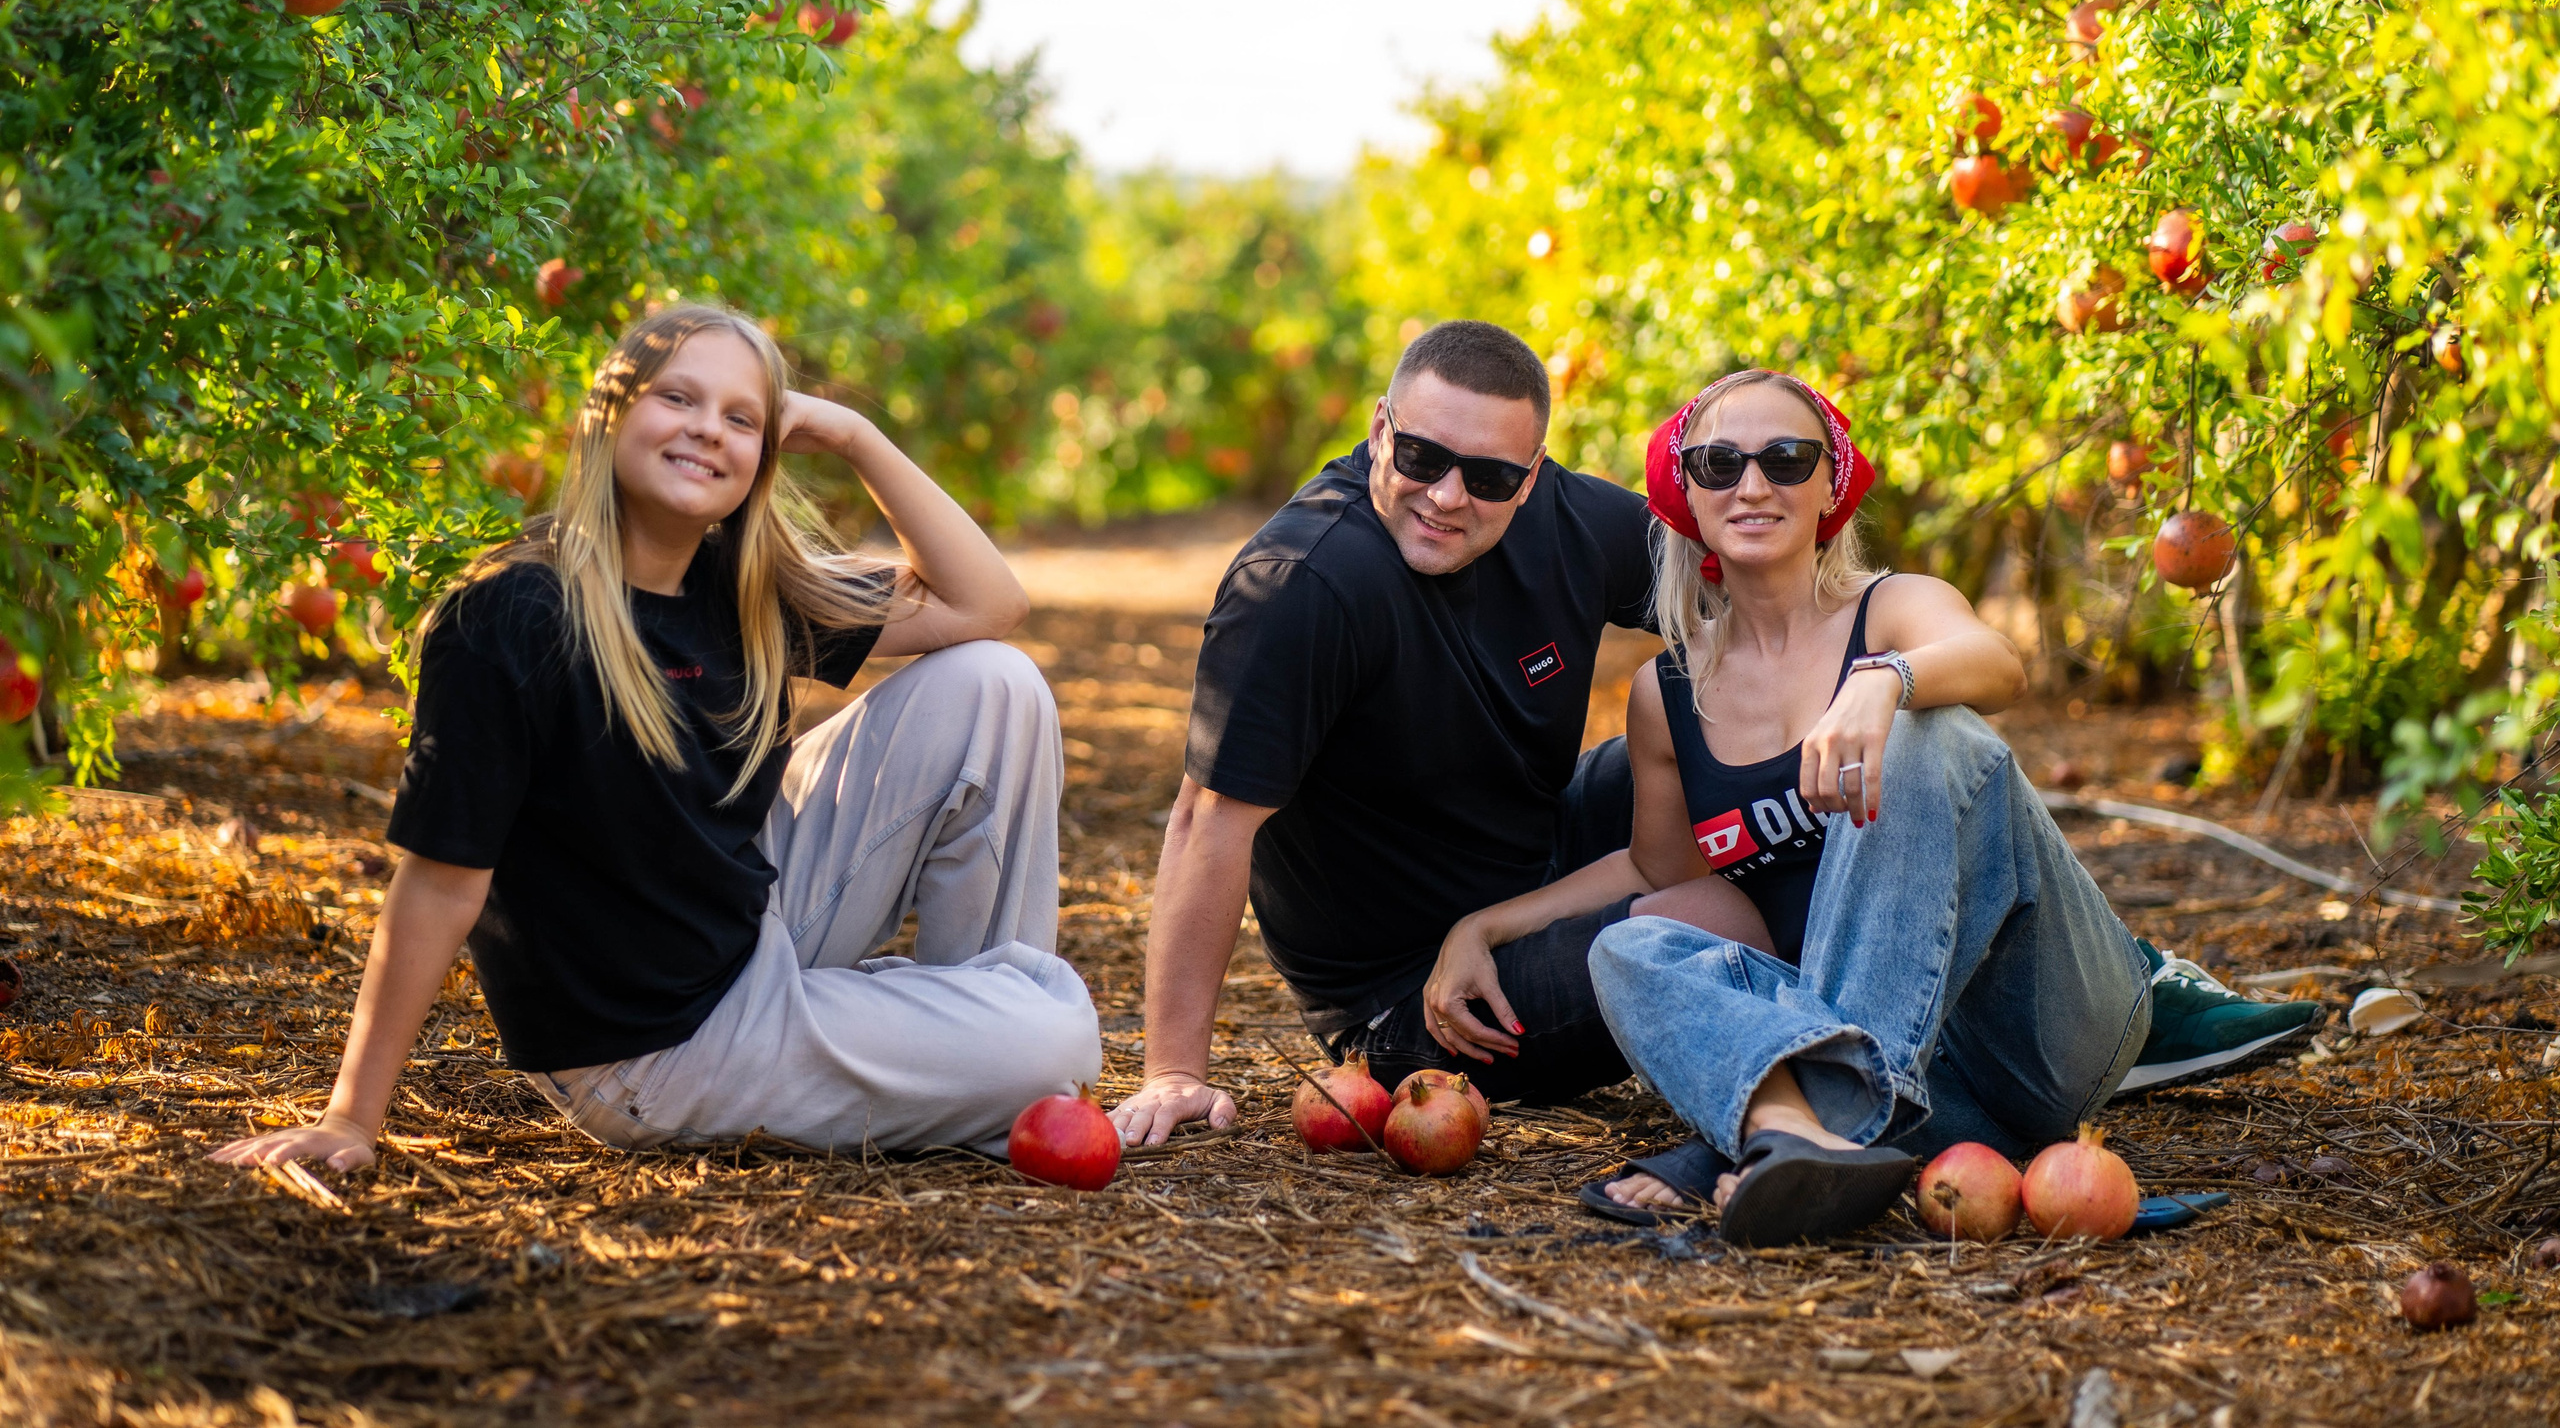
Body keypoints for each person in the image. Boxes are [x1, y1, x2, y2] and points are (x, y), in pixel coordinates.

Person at [1112, 325, 2315, 1154]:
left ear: (1535, 473)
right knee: (1648, 934)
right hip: (1408, 981)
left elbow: (1764, 559)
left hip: (1531, 847)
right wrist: (1175, 1066)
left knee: (1824, 757)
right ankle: (1874, 1074)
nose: (1448, 496)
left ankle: (2047, 994)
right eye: (1419, 459)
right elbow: (1208, 821)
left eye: (1488, 474)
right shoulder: (1305, 589)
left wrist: (1874, 676)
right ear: (1379, 430)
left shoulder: (1566, 520)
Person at [214, 305, 1100, 1174]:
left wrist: (856, 435)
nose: (708, 429)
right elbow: (440, 884)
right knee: (1057, 1038)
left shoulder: (737, 586)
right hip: (655, 1046)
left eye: (741, 417)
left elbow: (988, 604)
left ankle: (971, 1053)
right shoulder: (512, 614)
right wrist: (350, 1116)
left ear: (765, 453)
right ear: (608, 413)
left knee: (994, 681)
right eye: (678, 398)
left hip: (748, 936)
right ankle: (985, 1056)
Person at [1576, 371, 2318, 1243]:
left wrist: (1887, 682)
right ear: (1686, 494)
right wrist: (1486, 929)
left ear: (1830, 487)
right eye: (1718, 462)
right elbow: (1656, 875)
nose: (1752, 484)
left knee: (1933, 734)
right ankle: (1803, 1136)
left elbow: (1997, 660)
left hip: (2035, 1024)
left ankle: (1796, 1126)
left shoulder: (1889, 608)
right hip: (1930, 1093)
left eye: (1786, 458)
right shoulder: (1667, 692)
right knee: (1629, 947)